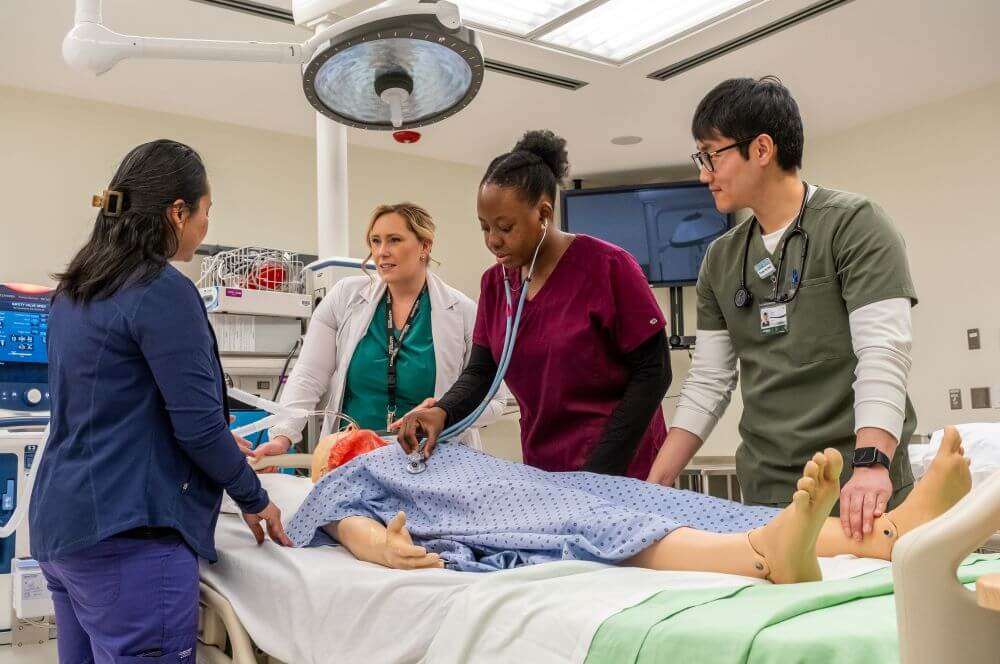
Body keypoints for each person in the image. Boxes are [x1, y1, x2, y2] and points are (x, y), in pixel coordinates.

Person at [30, 139, 291, 664]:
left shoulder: (75, 291)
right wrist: (254, 497)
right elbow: (196, 427)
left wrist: (220, 441)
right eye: (205, 212)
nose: (204, 227)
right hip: (129, 541)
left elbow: (115, 406)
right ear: (177, 211)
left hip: (62, 529)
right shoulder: (161, 290)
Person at [646, 77, 919, 543]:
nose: (703, 173)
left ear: (762, 148)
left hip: (859, 489)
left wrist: (873, 464)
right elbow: (710, 380)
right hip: (768, 492)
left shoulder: (855, 225)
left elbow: (883, 352)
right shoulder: (721, 258)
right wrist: (656, 484)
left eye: (712, 155)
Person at [288, 426, 971, 583]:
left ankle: (883, 533)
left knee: (650, 496)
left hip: (544, 481)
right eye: (346, 439)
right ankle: (758, 557)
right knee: (597, 524)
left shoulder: (436, 440)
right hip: (502, 510)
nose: (364, 434)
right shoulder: (357, 474)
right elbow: (347, 525)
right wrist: (381, 544)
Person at [392, 130, 671, 478]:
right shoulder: (496, 285)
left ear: (543, 213)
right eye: (484, 228)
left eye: (505, 227)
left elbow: (654, 373)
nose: (493, 240)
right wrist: (443, 411)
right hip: (547, 470)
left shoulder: (609, 267)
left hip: (622, 469)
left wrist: (600, 471)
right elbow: (482, 372)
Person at [252, 203, 505, 462]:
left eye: (394, 240)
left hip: (430, 459)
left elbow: (496, 401)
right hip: (352, 457)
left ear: (425, 246)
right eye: (375, 241)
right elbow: (308, 376)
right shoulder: (344, 298)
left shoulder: (462, 311)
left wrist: (443, 411)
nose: (381, 252)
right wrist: (282, 437)